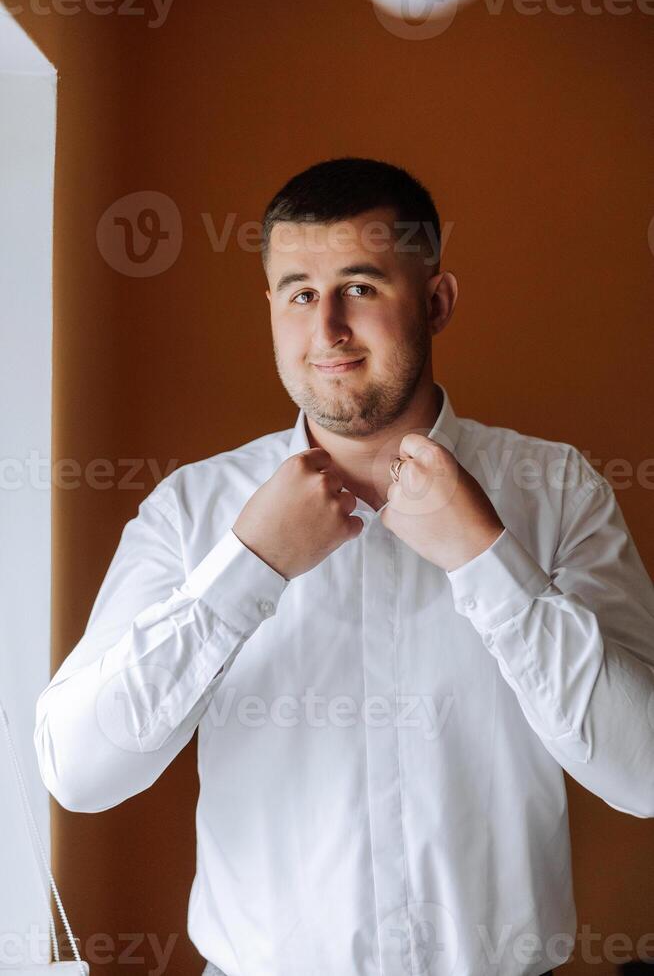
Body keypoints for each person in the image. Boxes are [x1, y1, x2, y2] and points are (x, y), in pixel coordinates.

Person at [34, 157, 654, 976]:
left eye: (360, 287)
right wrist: (247, 569)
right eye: (298, 293)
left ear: (436, 301)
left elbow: (644, 776)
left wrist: (484, 556)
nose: (325, 328)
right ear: (271, 307)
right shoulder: (193, 511)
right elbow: (78, 772)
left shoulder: (557, 489)